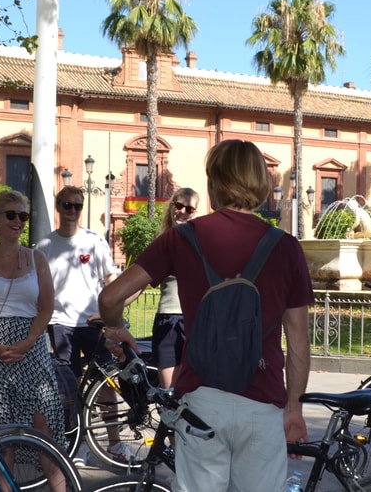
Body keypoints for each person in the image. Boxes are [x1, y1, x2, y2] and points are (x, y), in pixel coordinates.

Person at [98, 139, 313, 492]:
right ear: (259, 183)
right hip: (263, 401)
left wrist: (116, 326)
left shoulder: (182, 238)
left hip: (201, 401)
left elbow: (110, 296)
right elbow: (300, 344)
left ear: (214, 182)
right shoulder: (286, 246)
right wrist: (294, 408)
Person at [0, 190, 67, 491]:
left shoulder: (37, 258)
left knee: (43, 425)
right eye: (11, 214)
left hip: (29, 348)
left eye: (23, 215)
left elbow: (46, 307)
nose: (18, 220)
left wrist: (29, 340)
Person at [36, 185, 124, 462]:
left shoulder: (95, 242)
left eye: (77, 205)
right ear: (58, 207)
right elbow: (38, 289)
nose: (72, 211)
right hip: (61, 324)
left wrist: (114, 320)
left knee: (107, 383)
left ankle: (114, 442)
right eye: (67, 205)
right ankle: (78, 444)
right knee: (69, 389)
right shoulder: (45, 247)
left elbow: (111, 282)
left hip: (92, 322)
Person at [152, 187, 198, 388]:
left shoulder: (200, 242)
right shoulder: (161, 242)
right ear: (171, 207)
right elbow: (140, 279)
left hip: (194, 320)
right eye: (179, 206)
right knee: (168, 393)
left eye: (189, 209)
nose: (183, 211)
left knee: (190, 392)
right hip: (167, 318)